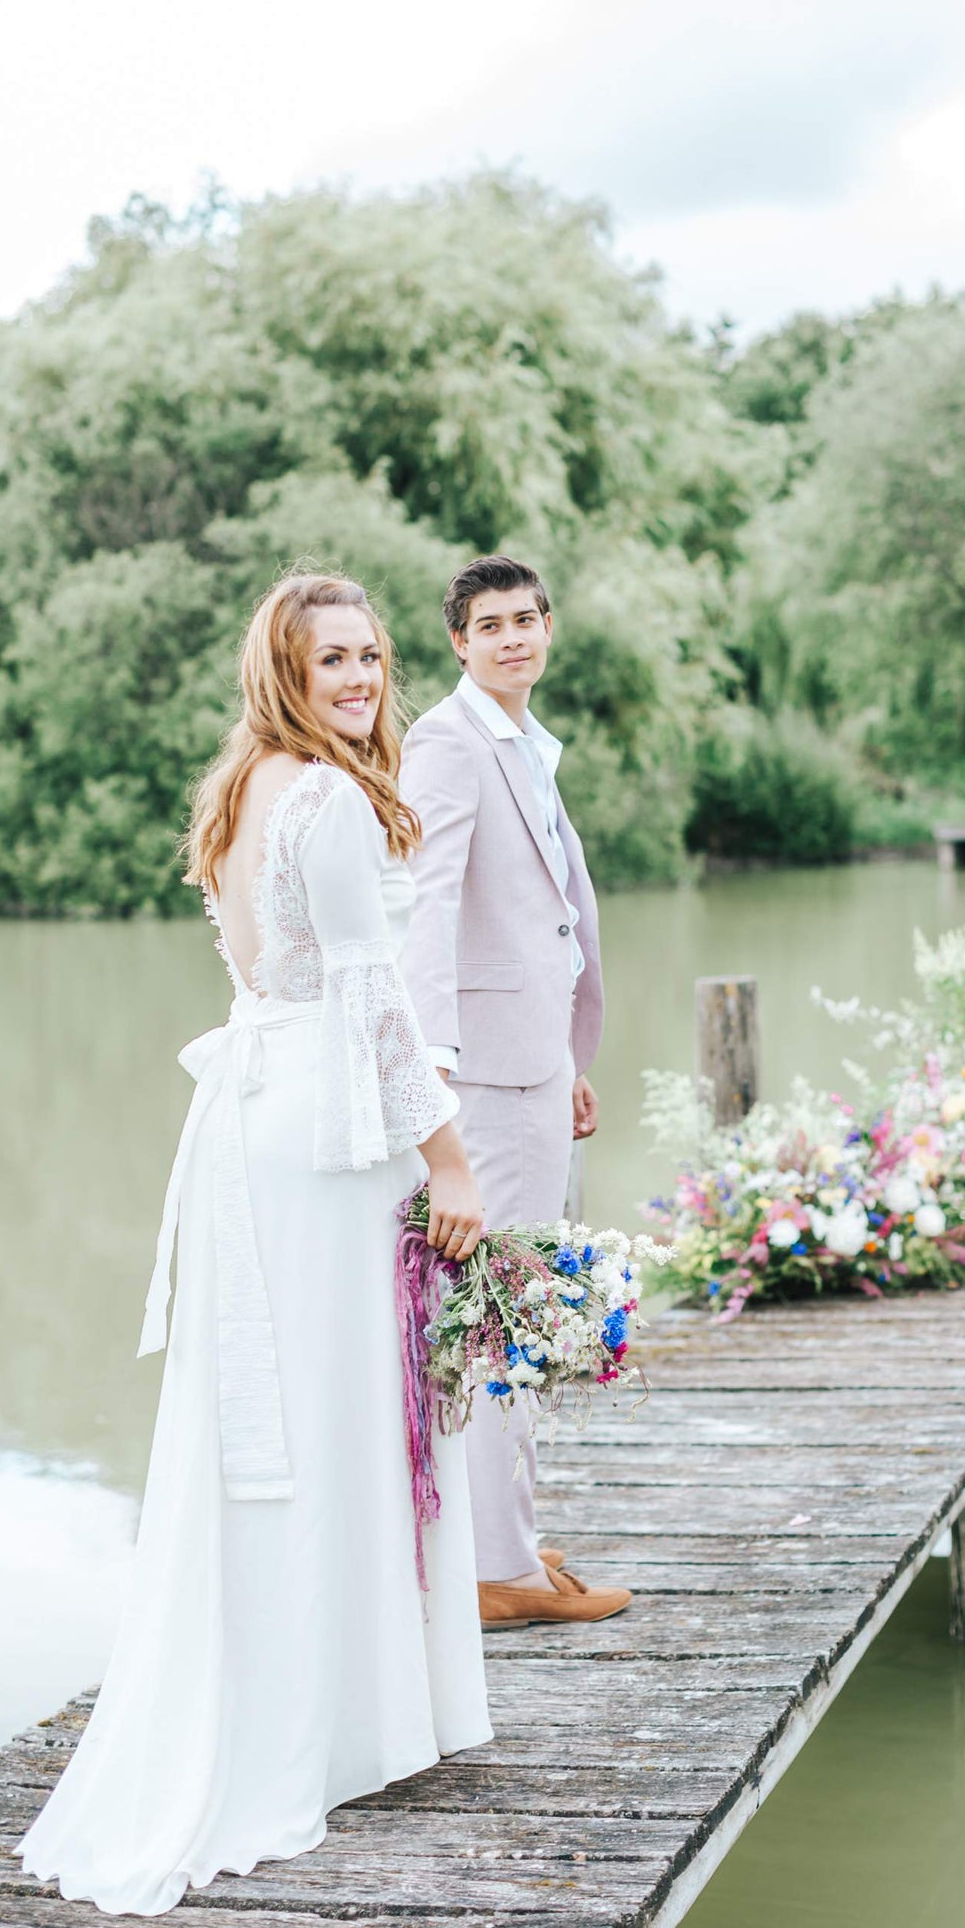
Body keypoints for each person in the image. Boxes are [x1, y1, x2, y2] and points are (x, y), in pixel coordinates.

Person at [17, 573, 492, 1916]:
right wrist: (449, 1155)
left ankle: (316, 1706)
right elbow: (373, 997)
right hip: (324, 1138)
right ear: (283, 668)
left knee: (281, 1423)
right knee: (342, 1413)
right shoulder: (331, 798)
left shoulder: (246, 785)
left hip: (258, 1124)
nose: (361, 677)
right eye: (332, 657)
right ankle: (329, 1727)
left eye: (373, 655)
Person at [400, 554, 631, 1629]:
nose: (512, 638)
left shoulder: (524, 745)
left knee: (516, 1310)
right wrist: (434, 1078)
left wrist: (565, 1057)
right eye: (489, 624)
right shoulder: (448, 743)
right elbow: (427, 908)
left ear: (548, 629)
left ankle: (509, 1543)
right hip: (480, 1078)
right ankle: (499, 1574)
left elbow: (542, 922)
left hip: (532, 1066)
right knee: (499, 1320)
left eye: (527, 619)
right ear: (457, 641)